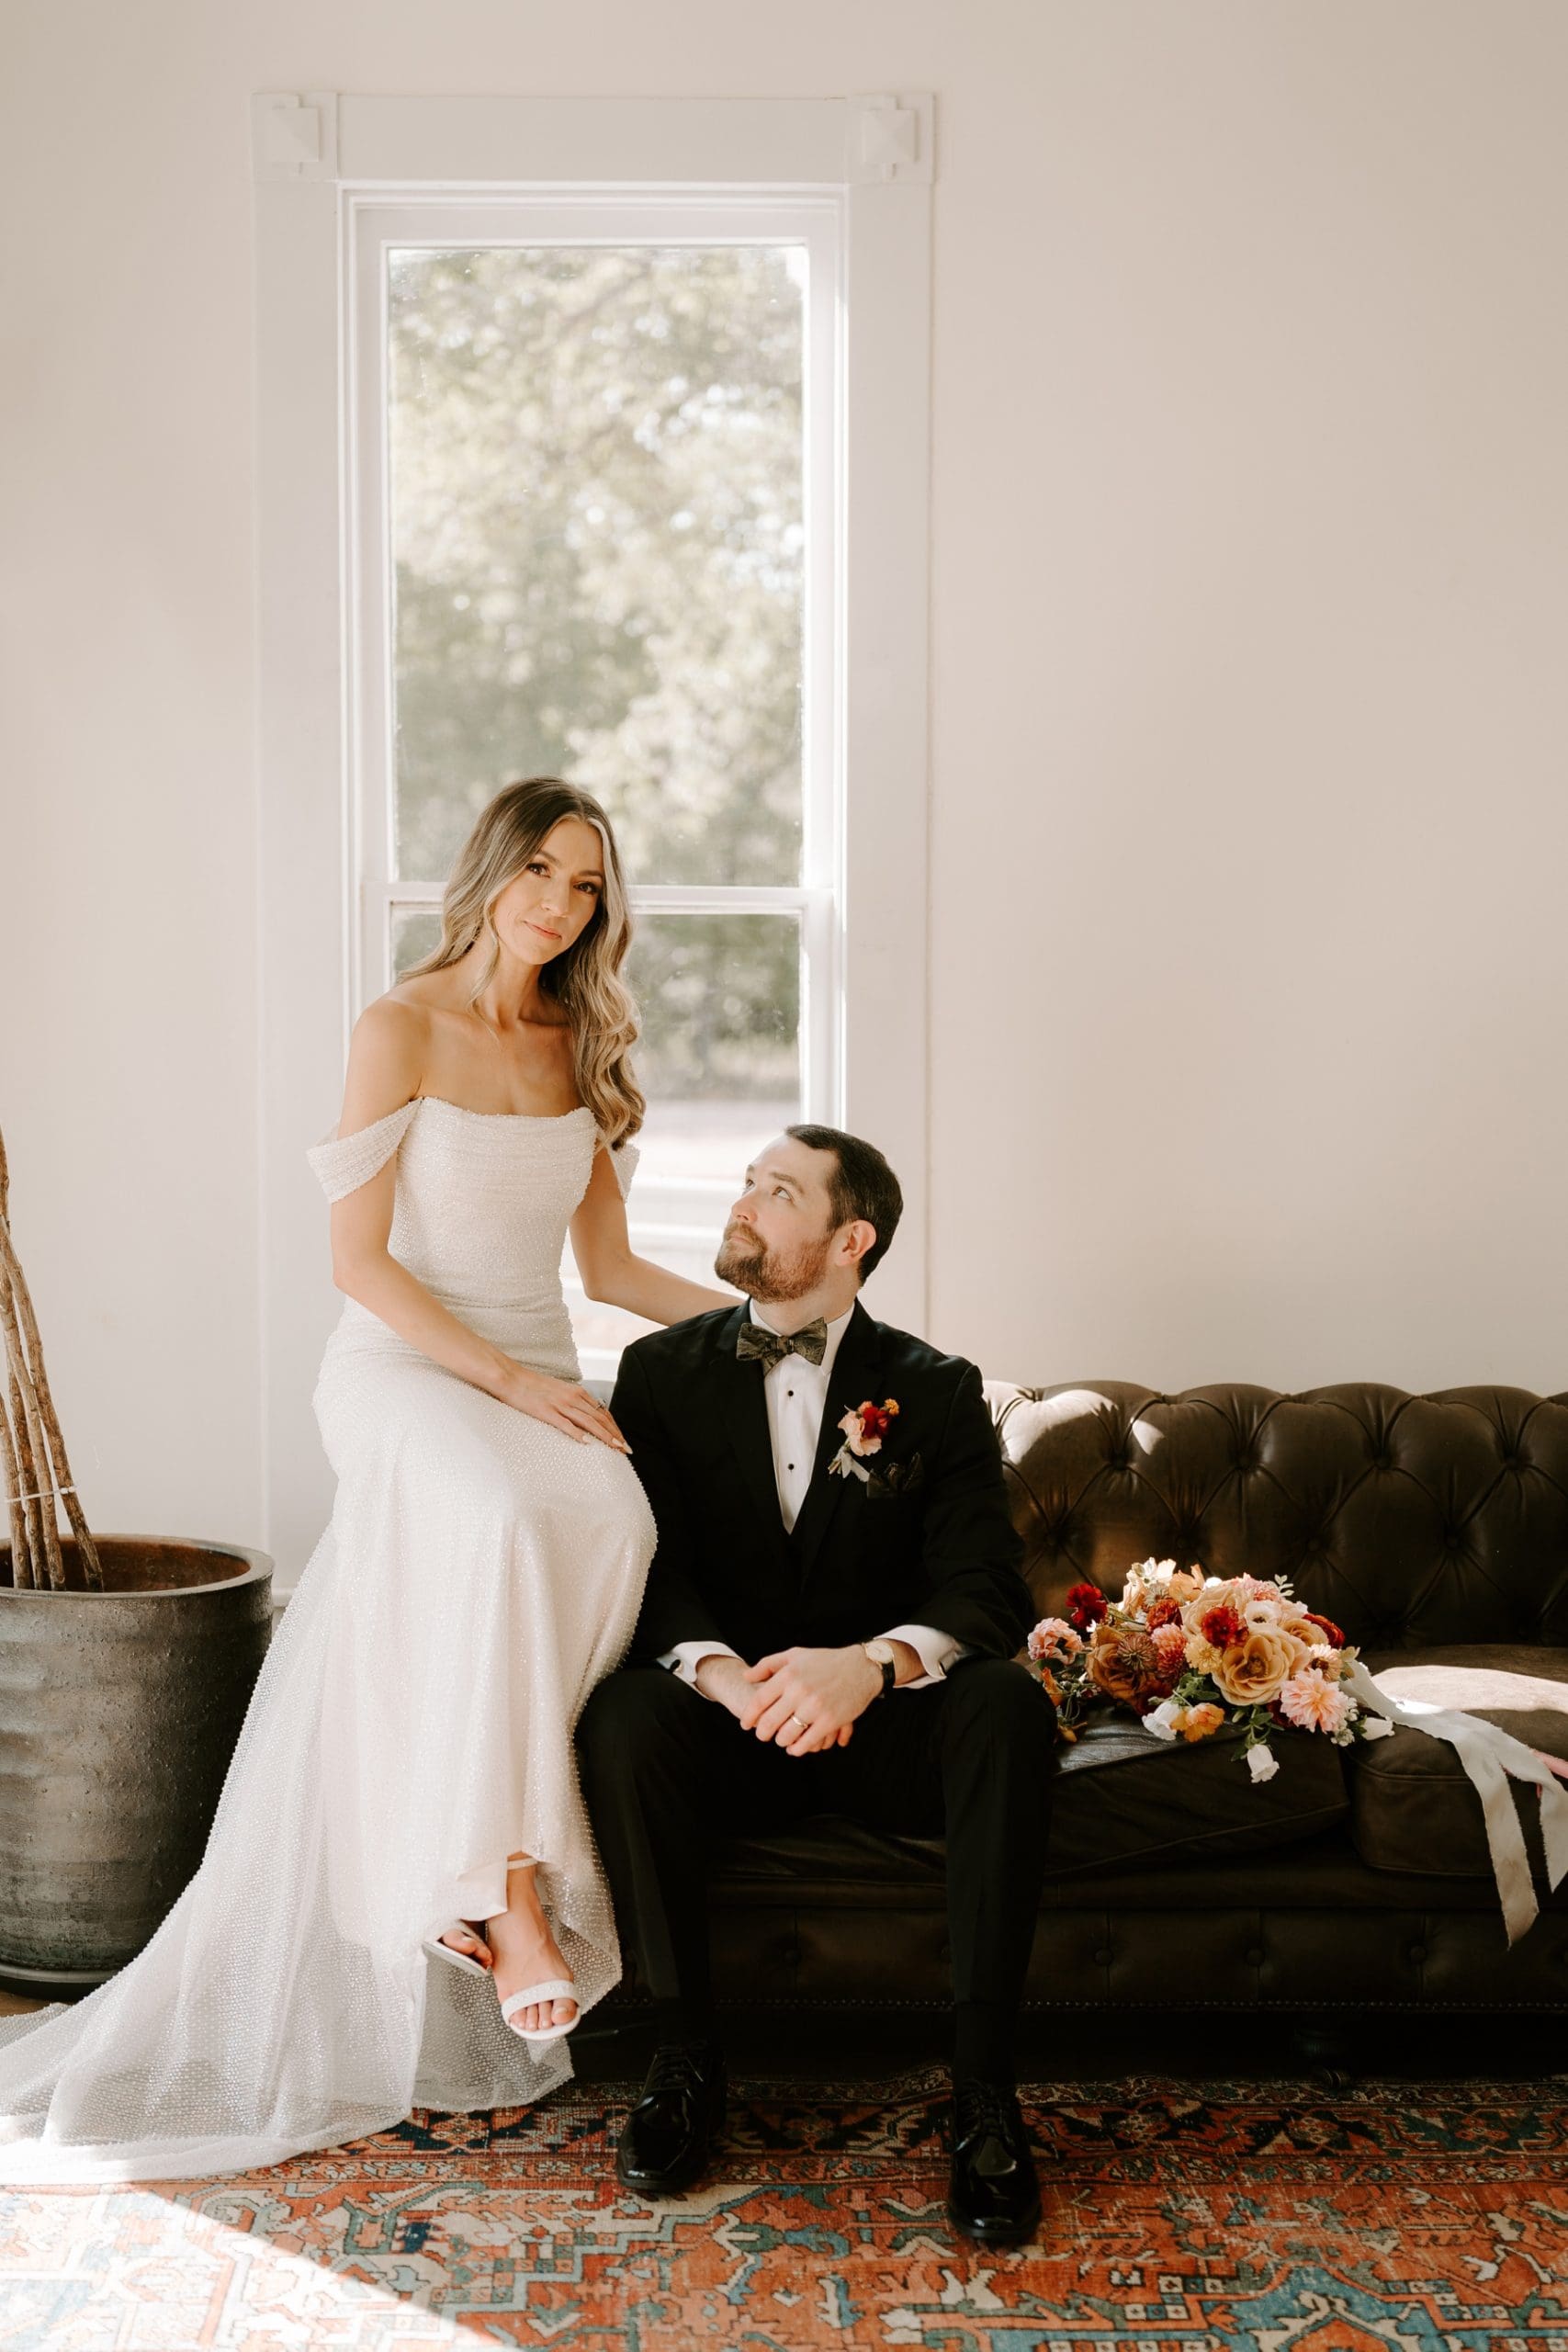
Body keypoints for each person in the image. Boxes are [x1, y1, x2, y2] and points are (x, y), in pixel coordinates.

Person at [0, 777, 730, 2182]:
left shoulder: (581, 1042)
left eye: (585, 887)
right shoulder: (397, 1025)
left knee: (613, 1512)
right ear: (491, 872)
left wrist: (777, 1334)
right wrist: (512, 1384)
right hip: (405, 1366)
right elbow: (358, 1263)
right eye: (539, 871)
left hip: (530, 1364)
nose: (558, 905)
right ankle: (504, 1891)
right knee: (510, 1513)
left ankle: (470, 1865)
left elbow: (609, 1274)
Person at [576, 1126, 1056, 2245]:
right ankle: (685, 2061)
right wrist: (726, 1679)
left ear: (851, 1239)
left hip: (884, 1737)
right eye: (748, 1181)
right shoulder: (661, 1375)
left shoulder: (936, 1392)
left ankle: (985, 2092)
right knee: (623, 1714)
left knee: (1008, 1704)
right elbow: (648, 1568)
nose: (745, 1201)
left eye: (777, 1191)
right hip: (727, 1733)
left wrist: (872, 1667)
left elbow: (986, 1588)